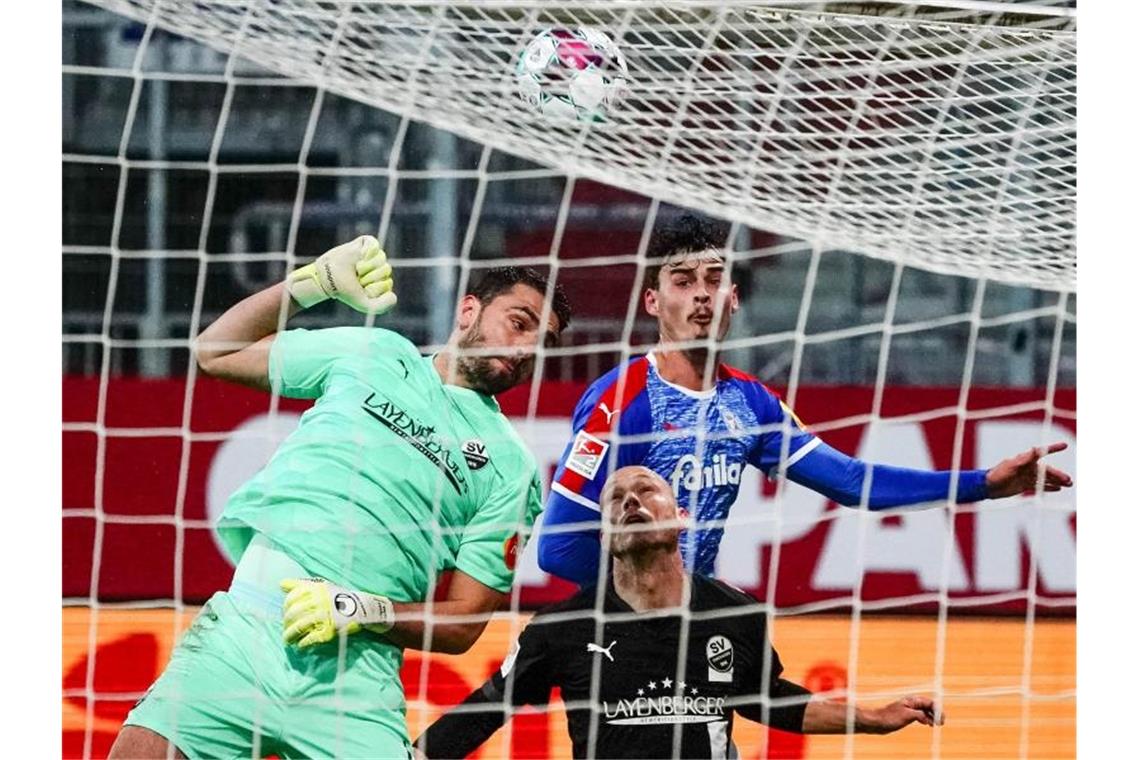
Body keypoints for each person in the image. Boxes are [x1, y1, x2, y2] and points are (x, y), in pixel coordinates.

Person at [108, 236, 572, 759]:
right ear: (469, 310)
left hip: (358, 678)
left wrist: (359, 608)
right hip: (243, 635)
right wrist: (315, 283)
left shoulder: (512, 465)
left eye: (543, 342)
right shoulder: (374, 352)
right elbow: (216, 352)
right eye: (519, 322)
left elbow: (465, 621)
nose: (527, 347)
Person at [538, 213, 1072, 585]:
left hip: (693, 631)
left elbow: (854, 483)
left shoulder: (751, 404)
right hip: (619, 641)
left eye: (714, 279)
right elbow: (558, 550)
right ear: (653, 301)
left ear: (734, 299)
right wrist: (652, 597)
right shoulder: (623, 399)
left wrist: (983, 484)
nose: (701, 293)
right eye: (682, 281)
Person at [408, 466, 945, 759]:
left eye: (647, 490)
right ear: (606, 535)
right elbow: (484, 710)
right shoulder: (561, 627)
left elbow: (773, 702)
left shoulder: (735, 614)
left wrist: (875, 720)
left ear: (682, 518)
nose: (631, 502)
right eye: (616, 499)